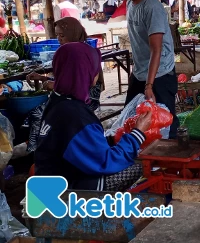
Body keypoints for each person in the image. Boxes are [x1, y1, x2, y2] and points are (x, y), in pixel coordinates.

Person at [34, 42, 151, 191]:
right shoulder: (73, 114)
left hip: (54, 178)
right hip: (68, 190)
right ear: (85, 72)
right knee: (144, 165)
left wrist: (113, 139)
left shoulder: (58, 100)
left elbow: (81, 144)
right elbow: (106, 162)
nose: (98, 73)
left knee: (131, 152)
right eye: (96, 68)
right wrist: (137, 133)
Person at [112, 0, 178, 138]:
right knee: (131, 117)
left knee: (164, 121)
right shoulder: (130, 4)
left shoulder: (152, 8)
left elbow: (156, 49)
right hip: (141, 71)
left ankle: (167, 161)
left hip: (160, 73)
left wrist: (149, 85)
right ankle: (137, 159)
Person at [27, 17, 104, 111]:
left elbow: (80, 87)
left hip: (79, 106)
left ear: (72, 33)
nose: (59, 39)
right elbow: (72, 80)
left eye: (62, 35)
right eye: (57, 35)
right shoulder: (91, 51)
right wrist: (43, 78)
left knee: (34, 113)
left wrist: (54, 85)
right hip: (87, 104)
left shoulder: (66, 51)